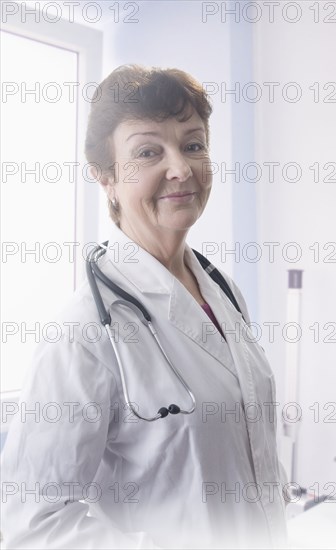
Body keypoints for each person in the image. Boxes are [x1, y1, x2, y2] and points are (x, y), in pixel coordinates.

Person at [1, 65, 288, 549]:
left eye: (194, 145)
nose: (181, 168)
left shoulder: (224, 292)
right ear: (106, 177)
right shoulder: (85, 331)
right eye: (148, 152)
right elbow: (34, 525)